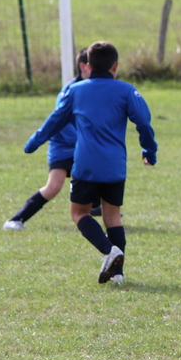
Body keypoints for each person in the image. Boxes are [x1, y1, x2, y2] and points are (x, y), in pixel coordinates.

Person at [24, 41, 157, 284]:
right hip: (115, 165)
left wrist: (34, 142)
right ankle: (118, 274)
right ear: (115, 66)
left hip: (86, 165)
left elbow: (55, 121)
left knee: (79, 213)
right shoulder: (127, 90)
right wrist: (149, 150)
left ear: (88, 66)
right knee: (113, 218)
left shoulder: (75, 91)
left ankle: (109, 251)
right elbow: (144, 122)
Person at [3, 50, 101, 230]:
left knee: (99, 177)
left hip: (83, 145)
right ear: (83, 67)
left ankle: (97, 207)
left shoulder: (95, 88)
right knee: (54, 186)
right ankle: (16, 219)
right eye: (95, 67)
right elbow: (59, 122)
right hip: (63, 145)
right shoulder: (69, 91)